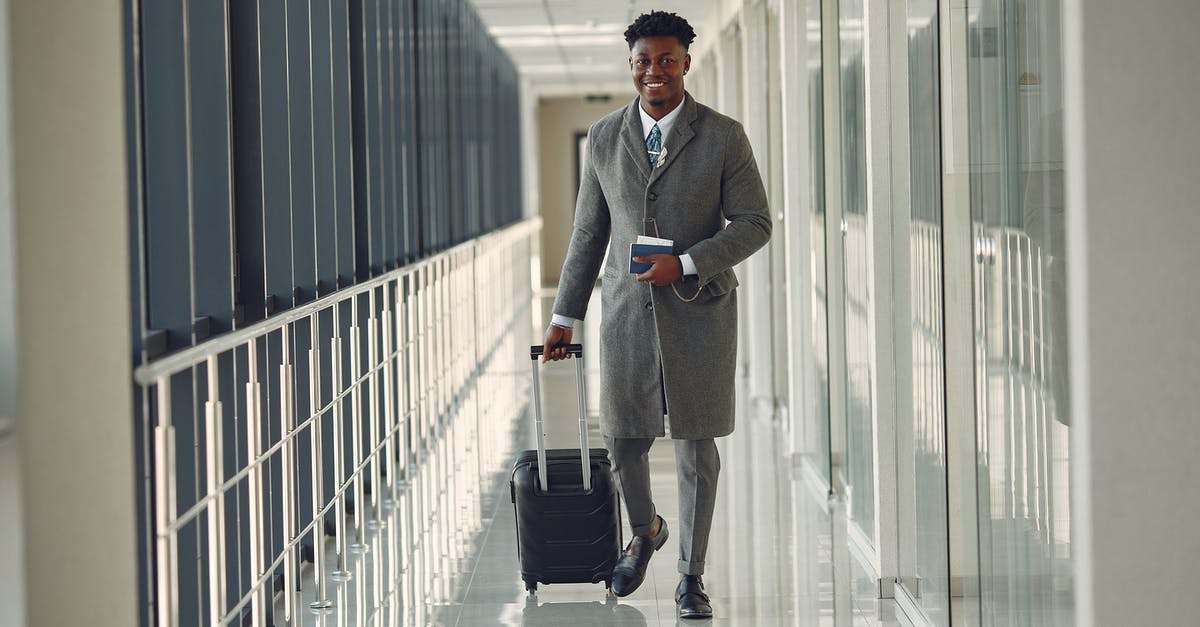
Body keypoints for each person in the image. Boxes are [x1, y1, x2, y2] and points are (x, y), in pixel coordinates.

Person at [540, 10, 771, 620]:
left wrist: (687, 263)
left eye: (666, 60)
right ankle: (646, 532)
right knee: (623, 441)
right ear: (631, 65)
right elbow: (589, 233)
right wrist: (565, 314)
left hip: (700, 314)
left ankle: (691, 576)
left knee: (697, 448)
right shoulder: (603, 138)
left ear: (686, 62)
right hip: (626, 315)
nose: (654, 71)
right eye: (643, 61)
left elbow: (755, 223)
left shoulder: (723, 136)